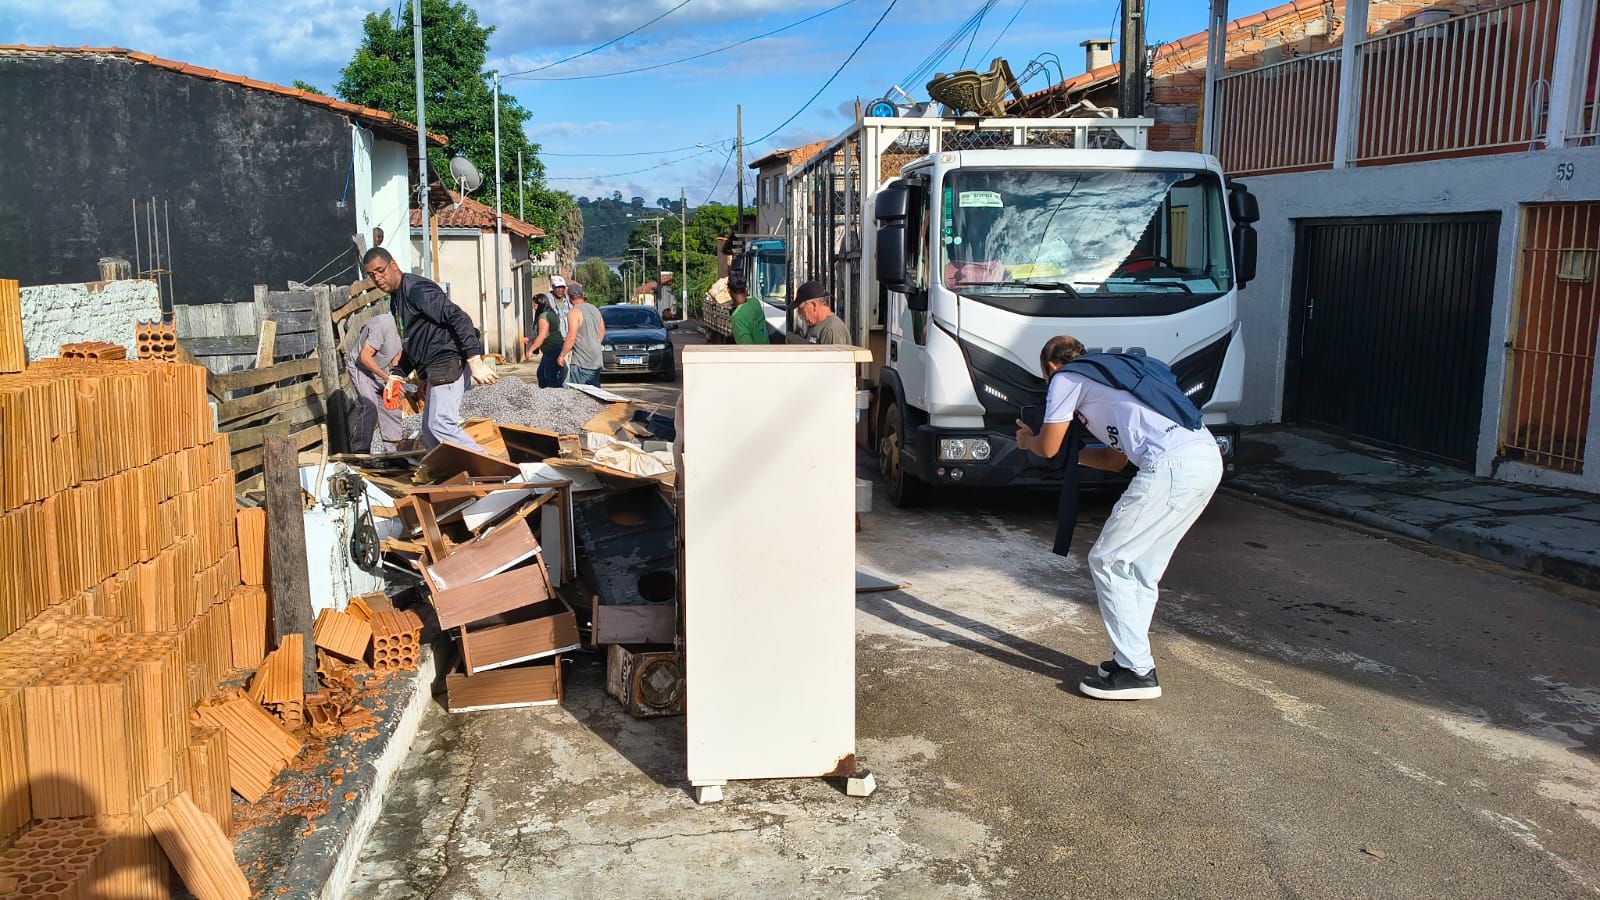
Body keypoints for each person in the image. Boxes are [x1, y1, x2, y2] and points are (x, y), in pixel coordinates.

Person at [1014, 335, 1222, 701]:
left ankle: (1138, 671)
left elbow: (1046, 446)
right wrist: (1072, 453)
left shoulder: (1066, 378)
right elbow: (1114, 461)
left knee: (1108, 560)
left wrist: (1028, 440)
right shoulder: (1111, 377)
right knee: (1140, 568)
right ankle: (1130, 661)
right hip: (1204, 458)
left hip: (1171, 467)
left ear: (1050, 368)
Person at [360, 247, 498, 452]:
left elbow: (459, 318)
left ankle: (486, 465)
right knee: (430, 429)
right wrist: (397, 374)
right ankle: (445, 468)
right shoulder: (397, 300)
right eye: (372, 275)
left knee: (440, 423)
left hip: (448, 359)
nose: (378, 278)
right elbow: (414, 342)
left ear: (393, 265)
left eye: (381, 271)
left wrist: (474, 360)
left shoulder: (416, 290)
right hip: (435, 365)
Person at [345, 310, 404, 454]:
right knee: (369, 406)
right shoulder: (382, 325)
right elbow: (364, 356)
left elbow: (397, 355)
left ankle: (393, 451)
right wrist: (386, 378)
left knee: (392, 403)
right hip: (361, 368)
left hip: (381, 369)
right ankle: (360, 451)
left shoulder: (406, 329)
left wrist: (395, 379)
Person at [557, 282, 605, 386]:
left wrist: (562, 355)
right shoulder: (595, 309)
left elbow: (571, 337)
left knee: (579, 393)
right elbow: (602, 331)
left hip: (581, 362)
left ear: (568, 296)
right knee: (594, 393)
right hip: (596, 359)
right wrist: (593, 344)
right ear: (583, 295)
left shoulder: (574, 312)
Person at [523, 292, 566, 388]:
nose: (534, 307)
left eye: (535, 305)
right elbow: (546, 332)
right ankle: (546, 394)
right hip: (553, 348)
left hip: (552, 348)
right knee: (541, 374)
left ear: (541, 304)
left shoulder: (543, 316)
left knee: (550, 377)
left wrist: (530, 350)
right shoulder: (551, 313)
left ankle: (556, 395)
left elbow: (542, 336)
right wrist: (531, 338)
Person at [791, 280, 850, 345]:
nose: (799, 313)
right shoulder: (817, 325)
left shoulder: (831, 330)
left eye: (801, 308)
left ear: (814, 305)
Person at [729, 278, 768, 345]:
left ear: (730, 292)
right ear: (746, 289)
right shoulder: (755, 301)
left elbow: (747, 346)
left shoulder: (737, 317)